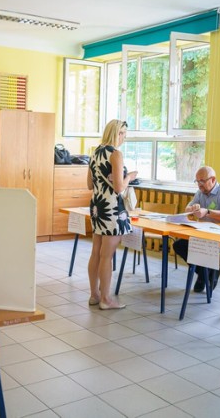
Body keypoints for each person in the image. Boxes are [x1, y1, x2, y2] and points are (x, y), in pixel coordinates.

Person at [87, 119, 138, 310]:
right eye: (123, 133)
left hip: (98, 206)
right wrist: (129, 177)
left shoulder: (95, 153)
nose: (124, 137)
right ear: (116, 133)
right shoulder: (115, 154)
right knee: (107, 256)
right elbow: (118, 188)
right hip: (112, 209)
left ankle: (94, 294)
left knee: (96, 253)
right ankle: (106, 299)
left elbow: (90, 185)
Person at [173, 166, 220, 292]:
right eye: (197, 181)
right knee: (179, 245)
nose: (199, 185)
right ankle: (207, 274)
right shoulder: (200, 192)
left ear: (213, 179)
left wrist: (207, 212)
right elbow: (187, 208)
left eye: (202, 181)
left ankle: (204, 276)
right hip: (206, 233)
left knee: (200, 245)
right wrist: (192, 209)